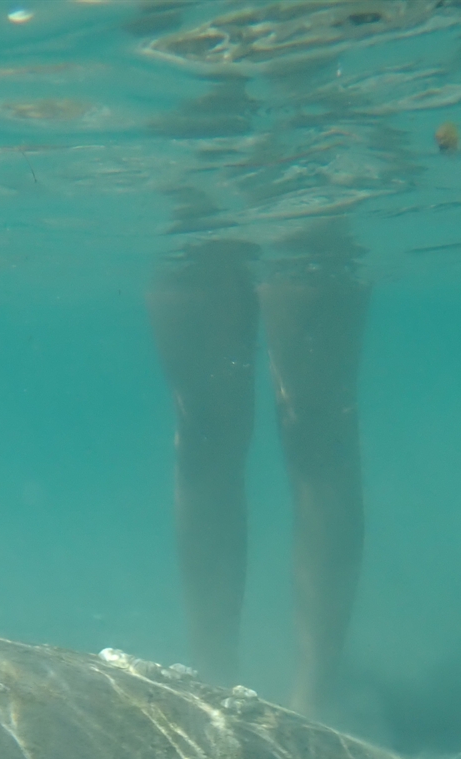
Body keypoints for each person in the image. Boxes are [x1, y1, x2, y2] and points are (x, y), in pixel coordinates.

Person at [145, 195, 374, 721]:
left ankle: (318, 696)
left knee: (316, 426)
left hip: (310, 173)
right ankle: (211, 682)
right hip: (197, 178)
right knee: (204, 431)